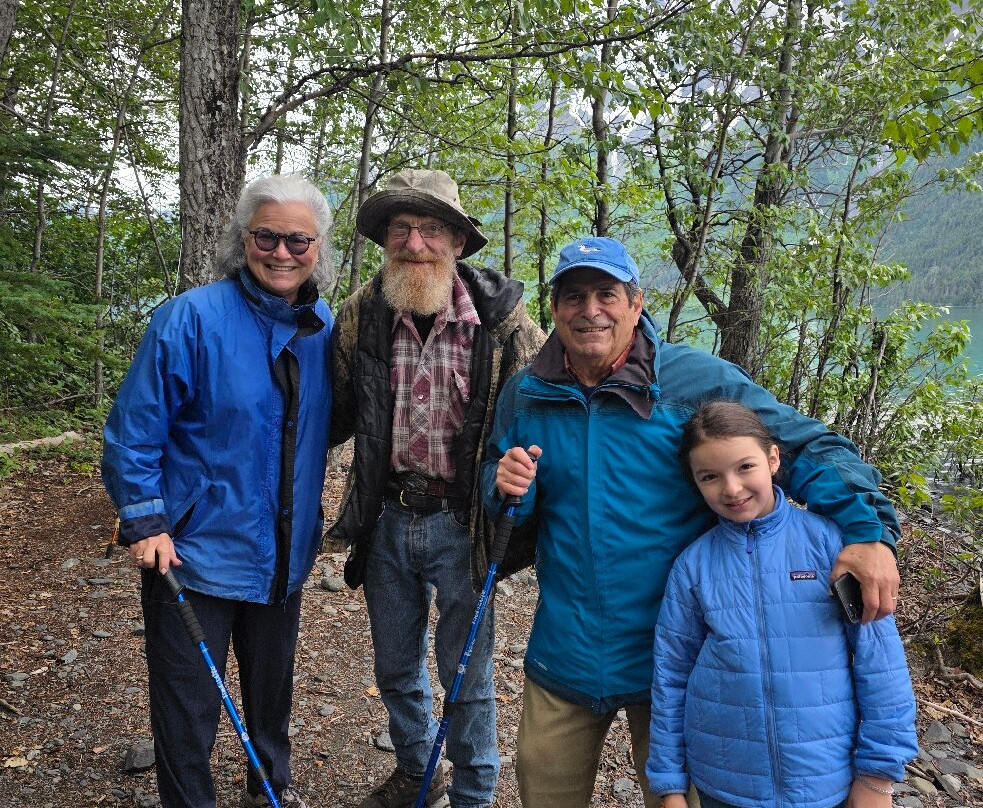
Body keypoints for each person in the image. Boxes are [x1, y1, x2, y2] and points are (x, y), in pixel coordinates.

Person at [482, 236, 903, 808]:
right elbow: (503, 494)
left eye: (607, 293)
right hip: (567, 649)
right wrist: (502, 485)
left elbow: (799, 447)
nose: (590, 310)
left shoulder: (690, 379)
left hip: (680, 656)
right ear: (554, 308)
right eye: (574, 296)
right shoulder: (527, 394)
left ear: (636, 302)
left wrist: (867, 532)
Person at [102, 174, 335, 808]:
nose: (281, 252)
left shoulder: (323, 331)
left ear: (319, 248)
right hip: (192, 555)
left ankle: (269, 794)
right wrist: (146, 520)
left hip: (283, 557)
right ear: (243, 239)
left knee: (270, 707)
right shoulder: (191, 318)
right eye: (266, 236)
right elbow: (133, 429)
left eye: (298, 240)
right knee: (188, 716)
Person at [328, 168, 545, 808]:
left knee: (467, 676)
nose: (414, 243)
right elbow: (332, 411)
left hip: (462, 521)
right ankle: (415, 769)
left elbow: (537, 407)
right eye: (401, 229)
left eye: (429, 229)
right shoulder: (361, 315)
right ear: (385, 241)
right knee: (395, 666)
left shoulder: (500, 321)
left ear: (456, 240)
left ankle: (474, 794)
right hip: (387, 516)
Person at [647, 400, 917, 808]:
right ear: (695, 483)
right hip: (724, 784)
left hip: (825, 782)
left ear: (773, 459)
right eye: (710, 476)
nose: (732, 489)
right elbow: (671, 676)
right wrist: (669, 785)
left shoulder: (831, 547)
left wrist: (878, 776)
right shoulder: (694, 565)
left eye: (745, 467)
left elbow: (880, 663)